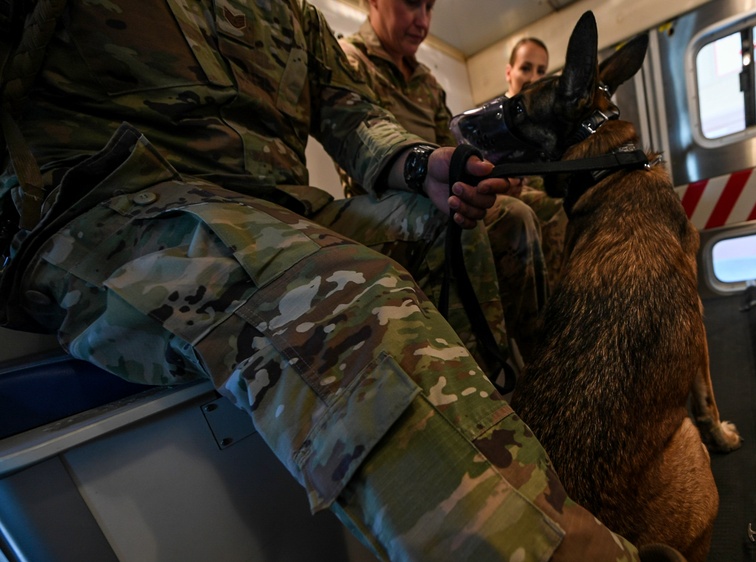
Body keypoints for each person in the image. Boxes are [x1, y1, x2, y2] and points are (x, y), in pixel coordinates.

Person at [0, 0, 646, 560]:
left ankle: (536, 447)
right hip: (115, 202)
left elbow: (346, 112)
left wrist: (422, 163)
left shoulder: (292, 16)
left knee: (497, 220)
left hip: (277, 200)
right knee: (346, 291)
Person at [336, 0, 548, 363]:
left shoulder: (428, 83)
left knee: (533, 209)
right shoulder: (349, 61)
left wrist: (486, 176)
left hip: (438, 186)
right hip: (385, 202)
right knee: (502, 217)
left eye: (430, 8)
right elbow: (356, 161)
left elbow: (453, 149)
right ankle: (486, 380)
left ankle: (542, 360)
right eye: (412, 4)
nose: (423, 21)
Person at [501, 37, 569, 294]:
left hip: (542, 201)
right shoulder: (493, 121)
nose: (533, 77)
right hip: (509, 200)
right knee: (558, 209)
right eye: (525, 68)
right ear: (509, 73)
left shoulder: (547, 125)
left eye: (541, 71)